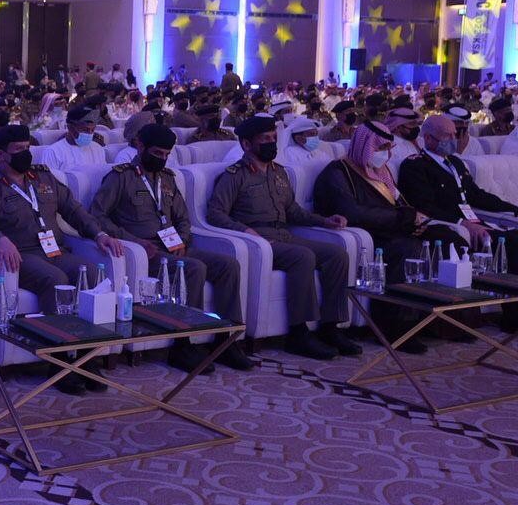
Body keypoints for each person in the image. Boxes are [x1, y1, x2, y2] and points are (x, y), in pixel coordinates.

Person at [0, 124, 125, 394]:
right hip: (23, 254)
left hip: (56, 251)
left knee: (91, 273)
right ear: (2, 154)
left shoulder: (44, 177)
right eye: (18, 149)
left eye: (27, 148)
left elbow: (74, 211)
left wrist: (99, 234)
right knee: (56, 280)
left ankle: (87, 358)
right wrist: (0, 239)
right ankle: (59, 362)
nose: (25, 153)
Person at [90, 123, 252, 371]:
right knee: (194, 268)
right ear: (140, 146)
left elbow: (183, 218)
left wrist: (184, 240)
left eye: (166, 155)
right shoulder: (120, 177)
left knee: (228, 265)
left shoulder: (167, 179)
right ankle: (184, 345)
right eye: (157, 153)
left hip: (175, 246)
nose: (162, 159)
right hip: (147, 252)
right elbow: (98, 215)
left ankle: (226, 341)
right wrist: (134, 241)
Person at [207, 116, 356, 360]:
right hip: (259, 240)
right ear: (246, 144)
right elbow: (215, 213)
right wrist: (244, 230)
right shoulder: (235, 175)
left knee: (337, 254)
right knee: (302, 256)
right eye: (265, 139)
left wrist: (324, 221)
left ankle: (331, 326)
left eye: (273, 138)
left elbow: (293, 211)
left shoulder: (279, 173)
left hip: (284, 235)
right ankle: (299, 333)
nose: (271, 143)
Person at [314, 121, 469, 354]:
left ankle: (442, 321)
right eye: (380, 148)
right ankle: (397, 328)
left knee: (450, 240)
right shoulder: (339, 173)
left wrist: (416, 222)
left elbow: (400, 204)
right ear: (365, 146)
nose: (385, 154)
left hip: (394, 228)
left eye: (388, 148)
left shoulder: (382, 171)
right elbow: (353, 213)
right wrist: (404, 219)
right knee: (408, 249)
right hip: (370, 236)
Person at [398, 114, 518, 268]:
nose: (454, 139)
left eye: (454, 134)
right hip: (449, 225)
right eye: (447, 135)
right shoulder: (415, 166)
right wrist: (463, 223)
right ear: (428, 138)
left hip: (474, 220)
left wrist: (513, 209)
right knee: (511, 244)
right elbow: (424, 207)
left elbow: (476, 195)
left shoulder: (455, 162)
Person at [40, 105, 103, 171]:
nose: (89, 133)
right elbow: (49, 177)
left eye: (92, 130)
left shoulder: (98, 149)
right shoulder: (53, 152)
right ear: (70, 128)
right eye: (85, 130)